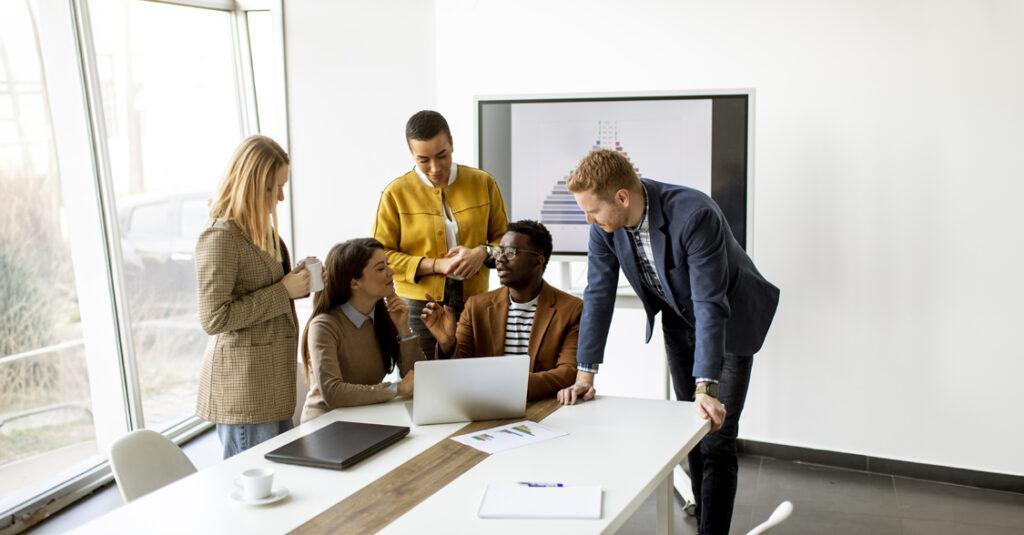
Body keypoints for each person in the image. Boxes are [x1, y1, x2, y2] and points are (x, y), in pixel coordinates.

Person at [557, 149, 780, 535]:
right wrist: (585, 375)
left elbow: (711, 303)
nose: (588, 220)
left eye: (592, 210)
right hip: (679, 321)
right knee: (689, 430)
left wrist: (706, 386)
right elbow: (597, 294)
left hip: (728, 322)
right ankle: (703, 512)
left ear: (622, 197)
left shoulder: (694, 215)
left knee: (716, 435)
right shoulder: (604, 227)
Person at [195, 135, 310, 459]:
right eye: (276, 188)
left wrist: (294, 279)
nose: (282, 197)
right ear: (253, 185)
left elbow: (264, 285)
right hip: (246, 392)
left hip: (271, 386)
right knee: (256, 492)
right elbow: (214, 318)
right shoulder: (220, 238)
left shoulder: (257, 232)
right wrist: (283, 290)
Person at [372, 110, 508, 358]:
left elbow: (505, 242)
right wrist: (436, 265)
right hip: (418, 306)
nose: (434, 168)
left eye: (442, 155)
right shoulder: (395, 194)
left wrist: (482, 252)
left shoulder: (483, 183)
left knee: (477, 378)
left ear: (452, 143)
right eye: (423, 160)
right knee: (423, 380)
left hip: (476, 301)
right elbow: (381, 256)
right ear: (411, 153)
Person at [420, 220, 581, 400]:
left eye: (510, 252)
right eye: (499, 251)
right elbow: (458, 372)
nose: (500, 258)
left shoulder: (571, 309)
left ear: (538, 260)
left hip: (541, 407)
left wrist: (504, 385)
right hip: (485, 406)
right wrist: (447, 344)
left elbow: (568, 373)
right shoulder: (477, 306)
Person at [299, 238, 424, 423]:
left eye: (388, 265)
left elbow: (417, 378)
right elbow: (333, 393)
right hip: (325, 425)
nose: (391, 272)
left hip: (365, 418)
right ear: (354, 283)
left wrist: (403, 329)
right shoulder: (324, 326)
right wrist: (395, 389)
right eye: (381, 268)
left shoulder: (385, 318)